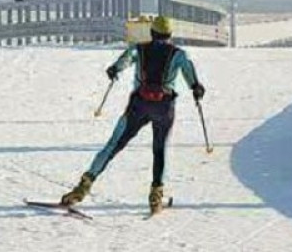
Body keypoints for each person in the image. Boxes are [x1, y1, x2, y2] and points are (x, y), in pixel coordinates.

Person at [60, 15, 206, 214]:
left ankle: (83, 187)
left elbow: (124, 60)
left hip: (139, 105)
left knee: (113, 145)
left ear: (152, 32)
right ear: (170, 34)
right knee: (159, 149)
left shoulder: (139, 48)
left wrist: (115, 69)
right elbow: (191, 76)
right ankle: (156, 195)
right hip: (164, 108)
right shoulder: (178, 54)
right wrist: (196, 89)